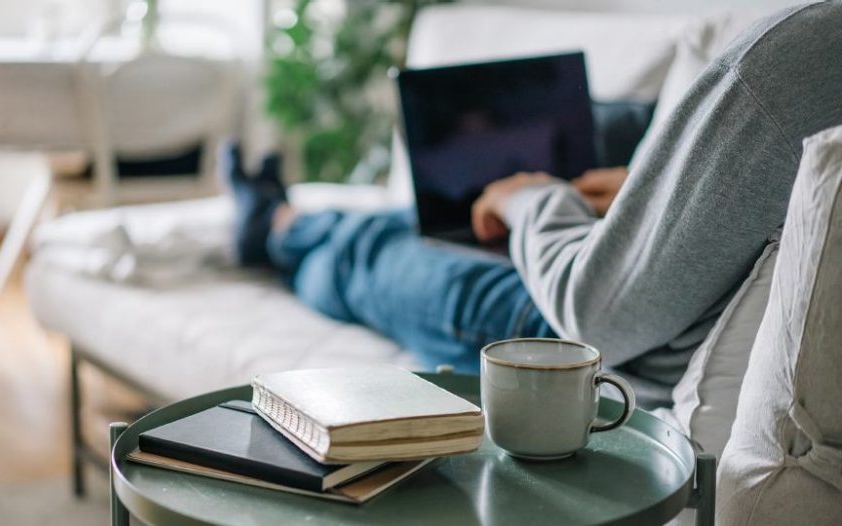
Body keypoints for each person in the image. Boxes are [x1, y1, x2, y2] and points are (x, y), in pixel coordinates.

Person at [227, 2, 842, 409]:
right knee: (413, 224)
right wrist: (642, 186)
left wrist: (530, 197)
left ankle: (274, 229)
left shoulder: (803, 60)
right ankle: (283, 219)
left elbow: (596, 313)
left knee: (371, 253)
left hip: (586, 347)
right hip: (643, 299)